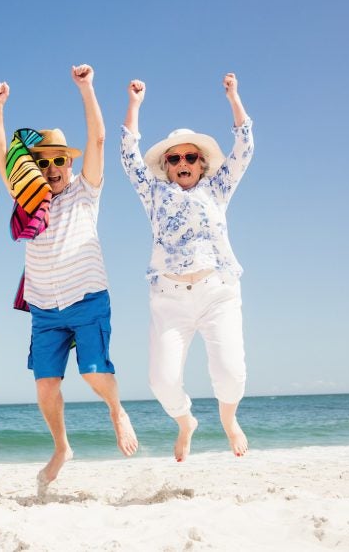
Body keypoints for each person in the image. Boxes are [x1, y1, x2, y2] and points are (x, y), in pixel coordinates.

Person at [0, 64, 139, 494]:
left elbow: (98, 138)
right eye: (43, 162)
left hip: (87, 298)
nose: (52, 168)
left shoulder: (85, 191)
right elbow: (1, 155)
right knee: (45, 386)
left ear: (67, 165)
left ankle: (116, 409)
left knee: (93, 373)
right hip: (44, 308)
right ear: (34, 166)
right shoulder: (28, 198)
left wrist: (87, 88)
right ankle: (62, 447)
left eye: (58, 161)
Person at [120, 72, 253, 461]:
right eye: (174, 158)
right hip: (170, 300)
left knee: (230, 374)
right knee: (161, 382)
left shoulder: (218, 188)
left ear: (201, 163)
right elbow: (128, 156)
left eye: (190, 157)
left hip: (218, 293)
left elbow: (244, 145)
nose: (182, 162)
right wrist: (135, 105)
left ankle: (229, 421)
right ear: (166, 165)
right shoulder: (155, 193)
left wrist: (233, 96)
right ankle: (185, 422)